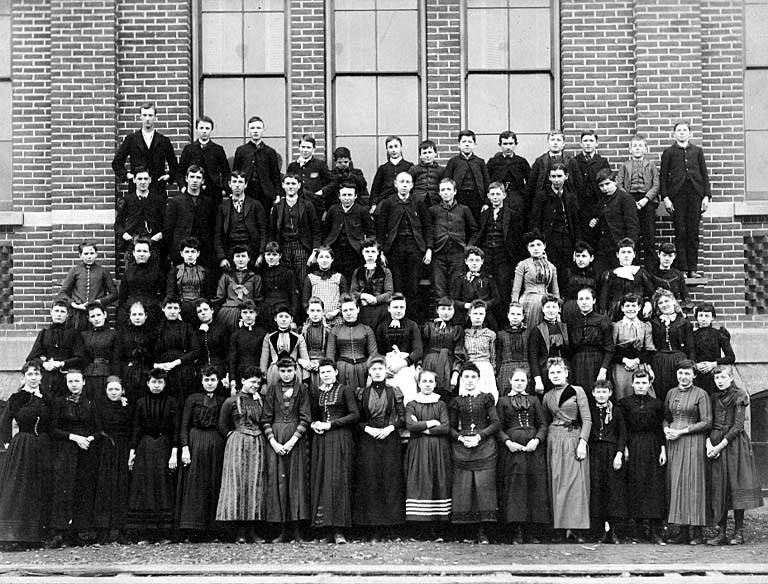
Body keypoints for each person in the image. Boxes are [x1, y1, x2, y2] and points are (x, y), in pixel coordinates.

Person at [705, 366, 763, 546]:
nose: (719, 381)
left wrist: (720, 446)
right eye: (717, 378)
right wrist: (709, 444)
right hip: (715, 443)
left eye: (723, 377)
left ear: (730, 377)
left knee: (736, 486)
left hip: (734, 445)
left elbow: (738, 426)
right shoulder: (714, 397)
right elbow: (709, 422)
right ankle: (720, 532)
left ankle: (739, 533)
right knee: (718, 487)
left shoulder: (740, 395)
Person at [0, 362, 53, 547]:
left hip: (42, 447)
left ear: (41, 377)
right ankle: (14, 537)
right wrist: (9, 443)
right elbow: (4, 422)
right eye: (29, 374)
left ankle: (35, 537)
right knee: (19, 489)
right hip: (22, 446)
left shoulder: (47, 398)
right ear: (24, 377)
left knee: (38, 489)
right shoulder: (17, 398)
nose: (33, 378)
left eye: (36, 374)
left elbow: (52, 424)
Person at [353, 356, 406, 538]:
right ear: (369, 372)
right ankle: (373, 528)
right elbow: (357, 418)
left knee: (390, 481)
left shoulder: (394, 392)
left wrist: (390, 428)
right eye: (374, 369)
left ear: (385, 371)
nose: (377, 372)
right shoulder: (361, 393)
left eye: (380, 369)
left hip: (390, 440)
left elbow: (402, 417)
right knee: (371, 480)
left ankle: (390, 528)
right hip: (368, 440)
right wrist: (368, 429)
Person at [126, 369, 180, 544]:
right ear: (148, 383)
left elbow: (176, 429)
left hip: (164, 446)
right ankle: (146, 534)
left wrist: (174, 451)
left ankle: (163, 534)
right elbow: (136, 428)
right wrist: (132, 451)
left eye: (160, 383)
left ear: (165, 384)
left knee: (163, 487)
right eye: (153, 382)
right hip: (146, 448)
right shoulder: (141, 402)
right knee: (145, 487)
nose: (156, 386)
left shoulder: (172, 402)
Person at [309, 358, 360, 544]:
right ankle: (327, 529)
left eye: (329, 371)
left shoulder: (345, 390)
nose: (326, 375)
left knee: (338, 480)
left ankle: (340, 530)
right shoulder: (317, 392)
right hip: (322, 440)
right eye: (322, 373)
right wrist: (314, 425)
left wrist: (331, 424)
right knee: (323, 480)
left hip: (340, 438)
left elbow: (355, 415)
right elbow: (314, 416)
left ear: (336, 372)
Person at [496, 367, 550, 544]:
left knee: (534, 486)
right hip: (513, 450)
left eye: (523, 380)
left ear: (528, 382)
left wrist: (537, 440)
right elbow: (498, 427)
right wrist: (508, 442)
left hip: (533, 449)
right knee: (516, 488)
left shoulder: (534, 400)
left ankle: (531, 531)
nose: (519, 383)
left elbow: (543, 424)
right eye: (516, 380)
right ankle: (516, 530)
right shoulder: (503, 401)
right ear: (510, 381)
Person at [449, 362, 500, 544]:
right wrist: (461, 439)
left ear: (478, 379)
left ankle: (485, 532)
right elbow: (451, 428)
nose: (469, 380)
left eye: (473, 377)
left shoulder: (486, 398)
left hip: (484, 447)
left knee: (484, 489)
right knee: (464, 490)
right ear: (462, 379)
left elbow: (495, 423)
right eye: (466, 377)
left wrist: (479, 436)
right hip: (463, 448)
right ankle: (466, 533)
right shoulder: (456, 401)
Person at [262, 357, 312, 543]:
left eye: (289, 370)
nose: (286, 374)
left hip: (295, 439)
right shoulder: (271, 390)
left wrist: (292, 441)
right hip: (276, 438)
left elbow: (305, 418)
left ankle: (297, 530)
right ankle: (282, 530)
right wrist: (273, 442)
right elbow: (265, 418)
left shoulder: (303, 390)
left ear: (295, 370)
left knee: (296, 482)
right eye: (282, 371)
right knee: (279, 483)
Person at [542, 357, 592, 542]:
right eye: (552, 373)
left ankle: (576, 528)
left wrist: (582, 442)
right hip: (554, 440)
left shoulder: (577, 391)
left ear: (566, 373)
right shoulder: (547, 396)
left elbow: (587, 419)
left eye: (558, 372)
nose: (555, 375)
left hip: (573, 439)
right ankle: (559, 528)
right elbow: (544, 421)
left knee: (575, 484)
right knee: (556, 482)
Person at [216, 366, 268, 543]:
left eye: (258, 383)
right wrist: (233, 436)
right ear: (243, 381)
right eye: (252, 382)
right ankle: (239, 532)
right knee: (237, 484)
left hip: (257, 443)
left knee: (255, 484)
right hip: (237, 444)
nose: (255, 386)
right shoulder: (231, 401)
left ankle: (252, 531)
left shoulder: (261, 401)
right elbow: (222, 425)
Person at [48, 369, 99, 547]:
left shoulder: (92, 402)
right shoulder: (59, 402)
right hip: (66, 450)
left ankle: (82, 532)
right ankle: (60, 532)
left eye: (77, 381)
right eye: (70, 381)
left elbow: (99, 427)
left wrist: (90, 438)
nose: (74, 385)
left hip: (86, 451)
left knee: (83, 490)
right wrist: (74, 437)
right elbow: (53, 429)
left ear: (84, 382)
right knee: (64, 489)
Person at [663, 360, 712, 545]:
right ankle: (682, 531)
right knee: (677, 483)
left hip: (693, 442)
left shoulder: (701, 394)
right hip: (674, 443)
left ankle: (697, 532)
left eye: (687, 373)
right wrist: (666, 429)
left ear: (694, 375)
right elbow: (666, 418)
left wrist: (682, 431)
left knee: (693, 483)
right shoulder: (671, 393)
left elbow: (706, 422)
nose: (683, 377)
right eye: (680, 373)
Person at [176, 367, 226, 539]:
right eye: (206, 380)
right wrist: (185, 447)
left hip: (216, 443)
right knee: (195, 483)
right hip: (195, 441)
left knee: (214, 481)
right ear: (201, 381)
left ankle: (214, 530)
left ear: (218, 381)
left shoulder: (222, 400)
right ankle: (193, 530)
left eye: (213, 380)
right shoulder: (193, 399)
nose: (209, 383)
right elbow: (184, 425)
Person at [617, 370, 667, 545]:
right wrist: (624, 448)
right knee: (636, 485)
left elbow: (660, 429)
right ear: (632, 384)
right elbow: (622, 429)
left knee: (653, 486)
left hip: (652, 446)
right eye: (637, 383)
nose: (640, 386)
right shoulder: (624, 404)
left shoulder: (657, 404)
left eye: (644, 383)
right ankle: (637, 531)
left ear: (649, 384)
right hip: (633, 446)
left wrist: (662, 449)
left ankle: (655, 531)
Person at [376, 171, 433, 319]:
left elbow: (427, 227)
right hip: (395, 248)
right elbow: (381, 230)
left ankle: (411, 321)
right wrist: (381, 252)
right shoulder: (388, 203)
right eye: (401, 182)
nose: (405, 185)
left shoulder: (419, 202)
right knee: (398, 285)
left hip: (415, 248)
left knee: (413, 286)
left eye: (408, 182)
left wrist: (429, 250)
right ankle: (398, 319)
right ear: (395, 184)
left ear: (412, 185)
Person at [660, 120, 711, 277]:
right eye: (679, 130)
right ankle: (681, 269)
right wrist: (666, 197)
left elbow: (705, 175)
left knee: (693, 232)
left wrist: (706, 196)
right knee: (680, 231)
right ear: (674, 134)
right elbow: (663, 176)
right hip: (677, 196)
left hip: (695, 195)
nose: (682, 133)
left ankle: (692, 269)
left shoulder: (697, 151)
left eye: (684, 130)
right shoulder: (669, 152)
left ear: (689, 133)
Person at [404, 370, 453, 529]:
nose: (427, 384)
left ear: (435, 384)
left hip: (438, 448)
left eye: (430, 381)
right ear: (418, 383)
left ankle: (437, 527)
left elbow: (445, 427)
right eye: (424, 381)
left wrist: (422, 427)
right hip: (418, 448)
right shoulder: (412, 404)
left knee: (437, 480)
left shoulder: (441, 404)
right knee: (420, 481)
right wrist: (432, 422)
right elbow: (410, 425)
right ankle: (419, 527)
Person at [475, 182, 525, 325]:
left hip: (503, 257)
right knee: (485, 289)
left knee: (502, 290)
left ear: (504, 195)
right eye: (492, 194)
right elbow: (481, 234)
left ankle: (503, 323)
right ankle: (487, 323)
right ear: (488, 196)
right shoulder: (484, 214)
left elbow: (516, 238)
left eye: (498, 194)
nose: (495, 197)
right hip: (487, 257)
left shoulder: (512, 214)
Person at [528, 163, 582, 290]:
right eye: (553, 176)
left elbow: (577, 223)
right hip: (550, 241)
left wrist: (577, 246)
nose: (557, 180)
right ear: (549, 178)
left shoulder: (571, 197)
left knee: (566, 274)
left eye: (559, 176)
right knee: (550, 274)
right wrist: (540, 245)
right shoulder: (542, 196)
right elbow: (535, 222)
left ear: (566, 176)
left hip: (567, 240)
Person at [93, 376, 132, 544]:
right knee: (104, 487)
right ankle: (102, 530)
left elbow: (132, 427)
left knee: (121, 487)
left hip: (122, 449)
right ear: (106, 391)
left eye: (117, 389)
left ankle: (119, 529)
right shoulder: (100, 407)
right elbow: (98, 427)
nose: (114, 392)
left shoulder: (128, 407)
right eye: (110, 389)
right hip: (106, 449)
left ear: (122, 391)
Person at [269, 173, 322, 296]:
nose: (290, 186)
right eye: (287, 183)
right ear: (283, 185)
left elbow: (316, 231)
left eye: (293, 183)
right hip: (284, 248)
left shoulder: (307, 205)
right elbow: (272, 231)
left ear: (299, 185)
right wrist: (273, 252)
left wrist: (315, 252)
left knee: (302, 282)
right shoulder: (277, 207)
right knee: (286, 283)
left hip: (301, 247)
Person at [112, 102, 178, 201]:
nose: (147, 119)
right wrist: (127, 175)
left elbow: (174, 166)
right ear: (140, 117)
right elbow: (116, 163)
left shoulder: (164, 141)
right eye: (145, 115)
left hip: (157, 190)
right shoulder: (131, 139)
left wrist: (168, 176)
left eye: (150, 115)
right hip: (136, 191)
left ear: (155, 117)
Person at [588, 379, 627, 544]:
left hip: (611, 452)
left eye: (605, 392)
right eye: (598, 392)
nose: (601, 395)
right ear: (593, 393)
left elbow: (623, 434)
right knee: (597, 490)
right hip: (596, 452)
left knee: (613, 491)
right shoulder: (589, 410)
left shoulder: (616, 411)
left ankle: (614, 531)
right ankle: (599, 531)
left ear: (610, 393)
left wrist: (619, 454)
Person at [429, 178, 479, 304]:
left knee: (455, 286)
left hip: (458, 254)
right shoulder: (433, 210)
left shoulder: (464, 209)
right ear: (439, 193)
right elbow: (428, 231)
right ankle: (440, 318)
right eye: (443, 190)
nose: (446, 192)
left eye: (449, 189)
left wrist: (468, 247)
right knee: (438, 287)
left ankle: (454, 320)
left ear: (455, 191)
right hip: (438, 253)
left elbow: (474, 231)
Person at [616, 134, 660, 266]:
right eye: (634, 146)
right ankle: (632, 266)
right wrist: (630, 200)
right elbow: (619, 184)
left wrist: (646, 199)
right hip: (630, 200)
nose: (637, 148)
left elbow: (656, 184)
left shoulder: (651, 165)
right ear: (630, 149)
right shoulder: (625, 166)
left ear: (645, 149)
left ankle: (650, 269)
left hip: (647, 201)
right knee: (632, 235)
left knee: (649, 236)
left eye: (640, 146)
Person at [27, 300, 84, 399]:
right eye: (56, 311)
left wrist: (62, 363)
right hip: (47, 377)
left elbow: (80, 357)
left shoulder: (74, 334)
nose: (59, 314)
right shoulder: (44, 333)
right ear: (51, 312)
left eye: (62, 312)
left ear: (67, 315)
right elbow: (31, 357)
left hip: (66, 377)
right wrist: (44, 364)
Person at [163, 165, 217, 269]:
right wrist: (173, 252)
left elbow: (213, 229)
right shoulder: (176, 202)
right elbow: (168, 231)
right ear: (186, 178)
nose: (195, 180)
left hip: (203, 254)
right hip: (181, 254)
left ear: (203, 181)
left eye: (198, 178)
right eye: (192, 177)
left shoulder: (208, 203)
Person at [57, 241, 117, 332]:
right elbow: (62, 293)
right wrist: (75, 304)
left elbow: (114, 294)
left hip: (97, 313)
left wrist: (99, 301)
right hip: (78, 314)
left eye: (92, 253)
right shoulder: (75, 271)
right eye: (86, 253)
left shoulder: (103, 271)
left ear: (96, 254)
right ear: (80, 255)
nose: (89, 256)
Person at [588, 169, 639, 276]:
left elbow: (632, 226)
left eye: (607, 184)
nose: (605, 188)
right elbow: (598, 221)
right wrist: (593, 223)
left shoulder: (625, 198)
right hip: (603, 248)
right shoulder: (602, 202)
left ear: (615, 181)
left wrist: (628, 248)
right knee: (601, 276)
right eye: (601, 186)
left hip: (619, 247)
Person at [214, 171, 268, 270]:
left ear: (246, 184)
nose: (237, 185)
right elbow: (217, 235)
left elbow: (263, 232)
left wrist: (261, 254)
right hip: (230, 256)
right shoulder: (223, 207)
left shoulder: (255, 205)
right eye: (234, 182)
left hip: (252, 255)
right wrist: (222, 258)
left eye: (240, 182)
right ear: (230, 184)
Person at [322, 181, 375, 281]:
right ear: (339, 196)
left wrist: (366, 248)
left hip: (354, 252)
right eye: (344, 195)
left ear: (355, 196)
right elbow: (325, 231)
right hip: (335, 249)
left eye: (350, 195)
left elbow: (371, 233)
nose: (347, 198)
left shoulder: (362, 211)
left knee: (352, 277)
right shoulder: (333, 210)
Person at [375, 293, 422, 404]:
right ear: (389, 308)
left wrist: (403, 363)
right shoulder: (382, 327)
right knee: (388, 401)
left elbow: (418, 351)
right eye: (395, 307)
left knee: (408, 400)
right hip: (388, 369)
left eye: (402, 307)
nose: (399, 310)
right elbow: (377, 351)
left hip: (406, 367)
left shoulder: (412, 325)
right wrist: (383, 369)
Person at [153, 296, 200, 405]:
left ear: (180, 310)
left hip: (183, 369)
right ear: (163, 309)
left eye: (175, 308)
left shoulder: (187, 327)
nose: (172, 311)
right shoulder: (158, 328)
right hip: (164, 370)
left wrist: (176, 362)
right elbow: (152, 352)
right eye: (169, 308)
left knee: (182, 401)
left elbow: (196, 351)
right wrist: (159, 365)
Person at [650, 289, 695, 403]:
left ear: (673, 301)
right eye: (660, 303)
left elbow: (691, 346)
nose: (664, 305)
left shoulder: (684, 322)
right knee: (661, 393)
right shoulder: (653, 323)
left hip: (679, 360)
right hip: (660, 361)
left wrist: (691, 366)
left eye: (667, 301)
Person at [326, 294, 378, 390]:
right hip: (342, 370)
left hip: (363, 369)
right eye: (345, 310)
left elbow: (373, 353)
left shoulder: (366, 329)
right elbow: (330, 354)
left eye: (351, 309)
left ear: (357, 309)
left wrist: (371, 371)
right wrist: (331, 372)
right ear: (341, 312)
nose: (348, 313)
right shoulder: (335, 330)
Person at [567, 287, 613, 395]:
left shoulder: (602, 320)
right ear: (577, 302)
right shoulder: (572, 321)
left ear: (594, 300)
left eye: (587, 299)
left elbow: (609, 348)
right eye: (581, 299)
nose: (584, 302)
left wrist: (603, 370)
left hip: (597, 362)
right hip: (577, 364)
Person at [232, 115, 282, 214]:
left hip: (265, 193)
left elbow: (275, 175)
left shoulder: (270, 152)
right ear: (248, 130)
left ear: (263, 130)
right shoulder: (241, 150)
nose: (255, 131)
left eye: (258, 128)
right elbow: (235, 172)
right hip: (246, 192)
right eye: (252, 128)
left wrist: (277, 195)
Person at [597, 238, 656, 322]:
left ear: (634, 254)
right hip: (616, 313)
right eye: (623, 252)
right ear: (618, 255)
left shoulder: (641, 273)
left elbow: (650, 293)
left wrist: (647, 303)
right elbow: (603, 298)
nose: (626, 255)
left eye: (629, 252)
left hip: (638, 312)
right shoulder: (611, 274)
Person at [176, 115, 230, 205]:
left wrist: (224, 189)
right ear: (196, 129)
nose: (204, 131)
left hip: (214, 193)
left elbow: (226, 172)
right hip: (192, 192)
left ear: (211, 130)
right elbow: (180, 171)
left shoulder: (218, 149)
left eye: (207, 128)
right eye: (201, 128)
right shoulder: (189, 149)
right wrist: (182, 187)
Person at [511, 230, 559, 329]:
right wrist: (515, 307)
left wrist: (557, 310)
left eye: (538, 244)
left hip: (546, 304)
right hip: (528, 302)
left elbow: (555, 292)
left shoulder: (551, 267)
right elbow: (516, 289)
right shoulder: (523, 264)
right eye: (532, 245)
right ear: (528, 248)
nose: (536, 248)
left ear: (544, 246)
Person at [115, 168, 166, 261]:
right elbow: (118, 224)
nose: (143, 182)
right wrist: (125, 235)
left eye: (146, 179)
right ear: (134, 180)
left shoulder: (158, 200)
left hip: (153, 245)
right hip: (132, 244)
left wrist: (158, 236)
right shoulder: (127, 200)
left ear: (150, 180)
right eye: (140, 179)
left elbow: (166, 224)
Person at [611, 293, 656, 401]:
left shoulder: (645, 326)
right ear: (622, 308)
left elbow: (649, 349)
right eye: (627, 306)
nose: (630, 309)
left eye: (633, 306)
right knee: (622, 394)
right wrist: (625, 360)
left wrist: (637, 360)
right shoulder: (616, 326)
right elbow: (611, 348)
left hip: (639, 365)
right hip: (621, 367)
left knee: (643, 393)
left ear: (639, 307)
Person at [116, 236, 166, 329]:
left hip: (152, 311)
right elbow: (122, 297)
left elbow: (164, 293)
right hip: (132, 310)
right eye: (138, 251)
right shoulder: (128, 272)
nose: (141, 254)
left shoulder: (157, 272)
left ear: (150, 253)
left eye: (145, 251)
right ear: (134, 253)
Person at [421, 297, 465, 401]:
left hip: (447, 367)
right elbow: (421, 348)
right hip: (429, 364)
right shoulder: (428, 327)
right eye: (443, 309)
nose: (446, 312)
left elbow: (459, 353)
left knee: (446, 399)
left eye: (449, 309)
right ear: (437, 310)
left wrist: (455, 373)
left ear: (454, 311)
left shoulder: (457, 329)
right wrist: (419, 367)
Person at [212, 246, 262, 335]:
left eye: (243, 256)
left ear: (249, 258)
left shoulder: (255, 277)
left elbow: (258, 298)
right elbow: (220, 297)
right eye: (237, 256)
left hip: (247, 312)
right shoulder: (226, 276)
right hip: (228, 313)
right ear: (233, 259)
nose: (240, 259)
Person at [113, 301, 156, 403]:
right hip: (127, 373)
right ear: (129, 316)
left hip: (146, 372)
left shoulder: (152, 332)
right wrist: (118, 380)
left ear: (146, 316)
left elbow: (155, 354)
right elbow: (117, 356)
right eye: (134, 314)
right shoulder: (122, 332)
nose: (137, 317)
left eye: (140, 314)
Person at [443, 129, 491, 221]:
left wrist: (486, 203)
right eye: (464, 141)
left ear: (475, 145)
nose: (467, 144)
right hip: (459, 199)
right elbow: (447, 181)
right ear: (459, 145)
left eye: (470, 141)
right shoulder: (453, 162)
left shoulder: (480, 162)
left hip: (477, 200)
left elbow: (487, 183)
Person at [528, 295, 570, 395]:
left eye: (554, 307)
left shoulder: (565, 328)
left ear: (559, 309)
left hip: (564, 370)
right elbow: (533, 357)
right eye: (548, 307)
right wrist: (538, 380)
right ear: (543, 309)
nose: (551, 310)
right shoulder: (537, 330)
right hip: (546, 372)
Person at [451, 246, 501, 330]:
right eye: (471, 260)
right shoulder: (461, 279)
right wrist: (466, 305)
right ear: (466, 261)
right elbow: (454, 300)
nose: (474, 263)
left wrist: (484, 305)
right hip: (466, 314)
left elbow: (496, 299)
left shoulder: (488, 278)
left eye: (477, 260)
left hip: (485, 315)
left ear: (482, 261)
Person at [349, 237, 393, 330]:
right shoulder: (358, 271)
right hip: (363, 308)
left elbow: (389, 293)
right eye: (367, 251)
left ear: (378, 253)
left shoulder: (385, 271)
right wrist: (363, 296)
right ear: (362, 253)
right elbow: (353, 292)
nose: (370, 254)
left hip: (380, 309)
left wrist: (375, 299)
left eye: (373, 251)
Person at [260, 307, 311, 387]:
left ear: (291, 319)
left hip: (293, 371)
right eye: (280, 316)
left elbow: (305, 359)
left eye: (287, 317)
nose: (283, 319)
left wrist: (305, 381)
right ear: (275, 318)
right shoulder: (269, 337)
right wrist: (263, 381)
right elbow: (264, 360)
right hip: (275, 372)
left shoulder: (298, 337)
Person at [567, 130, 611, 222]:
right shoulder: (574, 161)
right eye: (585, 141)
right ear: (581, 144)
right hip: (579, 205)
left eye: (591, 141)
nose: (588, 144)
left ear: (596, 143)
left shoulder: (602, 162)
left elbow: (607, 183)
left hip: (598, 204)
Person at [486, 130, 531, 219]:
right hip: (499, 198)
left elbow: (530, 181)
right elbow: (486, 182)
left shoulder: (521, 161)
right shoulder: (493, 162)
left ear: (515, 144)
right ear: (500, 145)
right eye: (505, 144)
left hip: (518, 199)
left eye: (511, 144)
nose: (508, 147)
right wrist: (487, 202)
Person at [166, 236, 211, 323]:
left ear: (198, 254)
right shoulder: (175, 271)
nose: (190, 255)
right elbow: (170, 292)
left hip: (200, 308)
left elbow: (208, 294)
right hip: (182, 307)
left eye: (193, 252)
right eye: (187, 252)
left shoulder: (204, 271)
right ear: (181, 253)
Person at [693, 303, 735, 396]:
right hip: (698, 376)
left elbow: (731, 357)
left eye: (707, 316)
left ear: (712, 318)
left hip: (715, 376)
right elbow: (689, 355)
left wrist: (713, 364)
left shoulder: (719, 334)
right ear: (696, 317)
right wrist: (696, 365)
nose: (703, 319)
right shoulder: (692, 335)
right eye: (700, 315)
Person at [226, 300, 268, 391]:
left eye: (251, 312)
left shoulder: (263, 333)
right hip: (241, 375)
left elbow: (266, 358)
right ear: (241, 314)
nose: (248, 315)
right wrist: (232, 380)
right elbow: (232, 358)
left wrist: (264, 381)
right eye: (245, 312)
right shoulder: (236, 335)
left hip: (258, 374)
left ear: (256, 313)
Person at [80, 302, 117, 404]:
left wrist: (114, 379)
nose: (96, 318)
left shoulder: (113, 334)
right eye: (93, 316)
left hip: (107, 374)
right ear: (89, 318)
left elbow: (116, 358)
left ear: (104, 315)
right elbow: (83, 357)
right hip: (89, 375)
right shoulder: (84, 335)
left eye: (98, 315)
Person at [303, 246, 348, 327]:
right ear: (317, 260)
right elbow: (305, 302)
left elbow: (346, 300)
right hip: (316, 318)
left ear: (332, 259)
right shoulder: (310, 278)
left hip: (336, 318)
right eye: (321, 257)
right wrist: (317, 314)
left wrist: (336, 311)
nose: (324, 260)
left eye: (327, 257)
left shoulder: (339, 277)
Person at [286, 134, 330, 216]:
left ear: (313, 149)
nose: (305, 150)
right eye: (303, 147)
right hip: (297, 205)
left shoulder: (320, 165)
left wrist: (321, 192)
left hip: (315, 205)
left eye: (308, 147)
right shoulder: (293, 166)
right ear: (299, 147)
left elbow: (330, 183)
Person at [463, 300, 498, 404]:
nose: (478, 317)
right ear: (469, 314)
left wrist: (493, 371)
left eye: (481, 314)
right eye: (475, 313)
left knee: (486, 398)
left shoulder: (491, 334)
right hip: (469, 368)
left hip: (485, 369)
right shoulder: (464, 333)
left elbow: (493, 356)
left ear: (485, 315)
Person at [259, 241, 300, 326]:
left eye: (274, 255)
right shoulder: (262, 273)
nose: (271, 258)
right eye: (268, 254)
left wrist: (292, 316)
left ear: (280, 255)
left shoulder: (287, 273)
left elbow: (294, 295)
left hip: (282, 310)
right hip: (266, 311)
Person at [369, 135, 413, 212]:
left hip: (403, 200)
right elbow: (375, 189)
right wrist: (374, 204)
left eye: (396, 146)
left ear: (401, 147)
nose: (393, 150)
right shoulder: (383, 168)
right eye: (390, 147)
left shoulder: (409, 166)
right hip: (385, 201)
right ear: (387, 149)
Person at [527, 129, 573, 202]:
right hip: (545, 202)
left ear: (563, 143)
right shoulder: (539, 161)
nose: (555, 143)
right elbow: (531, 185)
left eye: (558, 140)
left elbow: (577, 185)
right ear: (548, 142)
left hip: (566, 201)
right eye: (552, 140)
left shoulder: (571, 162)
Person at [495, 302, 529, 397]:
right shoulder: (501, 334)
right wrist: (497, 373)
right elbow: (498, 356)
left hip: (525, 367)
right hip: (506, 368)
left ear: (523, 316)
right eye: (512, 314)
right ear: (508, 315)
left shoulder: (528, 333)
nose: (515, 317)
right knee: (506, 396)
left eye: (518, 314)